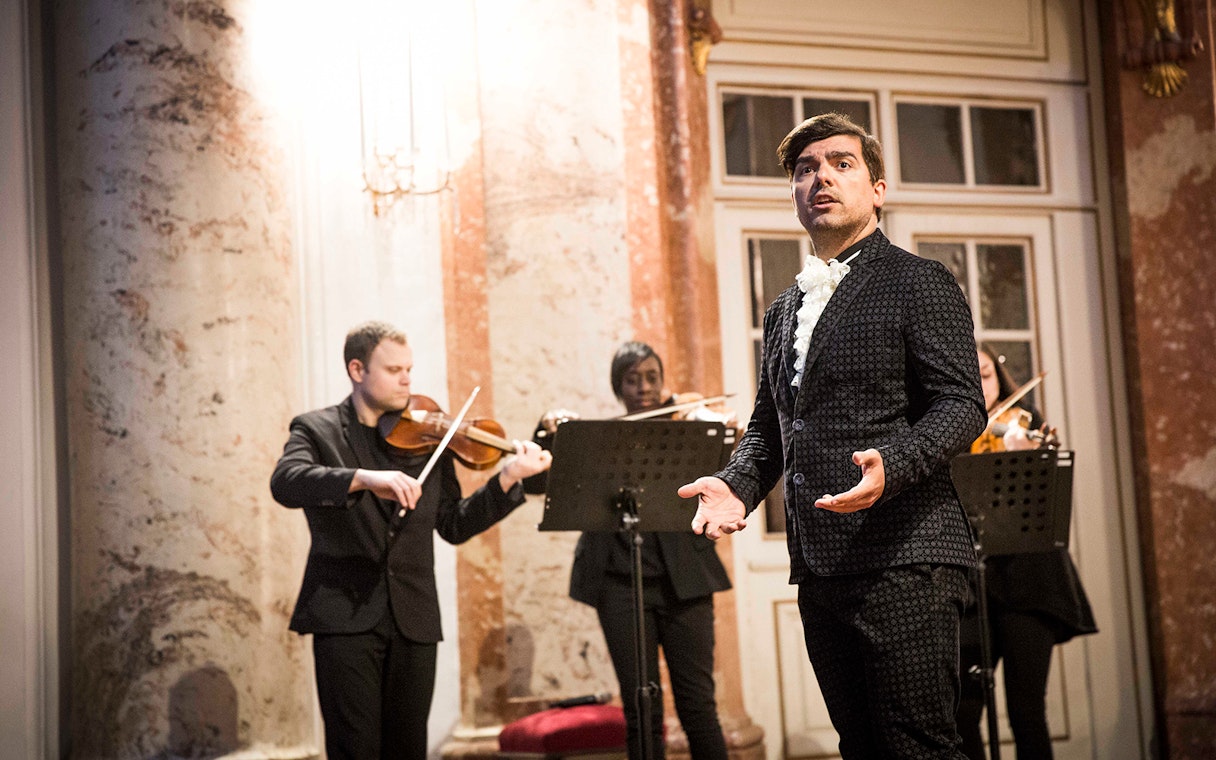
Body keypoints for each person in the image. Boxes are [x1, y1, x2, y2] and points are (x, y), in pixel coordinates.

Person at [678, 112, 987, 759]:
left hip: (909, 556)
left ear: (877, 188)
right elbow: (770, 428)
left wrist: (893, 464)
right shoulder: (783, 309)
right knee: (861, 747)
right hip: (822, 568)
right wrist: (735, 485)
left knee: (919, 748)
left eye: (841, 163)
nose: (821, 177)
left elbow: (962, 405)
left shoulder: (917, 280)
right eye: (805, 169)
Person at [270, 321, 551, 760]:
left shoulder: (427, 439)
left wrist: (508, 478)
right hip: (345, 617)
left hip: (413, 619)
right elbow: (286, 482)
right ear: (357, 369)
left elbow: (453, 525)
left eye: (409, 369)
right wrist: (362, 479)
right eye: (394, 369)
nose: (406, 379)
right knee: (354, 749)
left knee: (408, 750)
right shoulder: (317, 429)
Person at [526, 341, 731, 760]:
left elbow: (730, 465)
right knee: (641, 708)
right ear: (618, 386)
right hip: (619, 585)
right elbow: (534, 483)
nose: (644, 388)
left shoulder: (687, 431)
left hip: (686, 583)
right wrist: (545, 429)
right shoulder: (600, 440)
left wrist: (719, 430)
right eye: (632, 379)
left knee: (698, 705)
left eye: (652, 377)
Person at [955, 345, 1097, 760]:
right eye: (966, 375)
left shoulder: (1023, 424)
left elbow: (1048, 504)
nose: (978, 385)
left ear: (999, 379)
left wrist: (1027, 457)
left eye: (984, 374)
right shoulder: (939, 431)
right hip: (967, 587)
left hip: (1028, 581)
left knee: (1026, 710)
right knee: (962, 712)